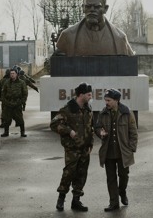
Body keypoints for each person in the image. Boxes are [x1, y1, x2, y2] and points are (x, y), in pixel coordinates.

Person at [50, 83, 94, 212]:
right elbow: (54, 124)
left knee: (82, 175)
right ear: (81, 95)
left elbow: (89, 127)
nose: (91, 97)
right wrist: (69, 131)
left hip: (85, 148)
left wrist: (90, 143)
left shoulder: (88, 108)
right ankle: (61, 198)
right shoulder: (67, 109)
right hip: (72, 149)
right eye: (89, 94)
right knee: (69, 173)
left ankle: (76, 201)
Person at [95, 89, 138, 212]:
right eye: (105, 100)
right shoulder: (103, 113)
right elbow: (97, 127)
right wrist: (100, 132)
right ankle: (113, 203)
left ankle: (122, 192)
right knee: (111, 178)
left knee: (123, 176)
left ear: (116, 100)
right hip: (108, 152)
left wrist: (131, 148)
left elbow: (133, 132)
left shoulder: (127, 113)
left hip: (123, 152)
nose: (106, 103)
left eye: (108, 100)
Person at [54, 0, 134, 56]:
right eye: (88, 6)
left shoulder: (120, 38)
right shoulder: (67, 36)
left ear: (105, 9)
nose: (92, 10)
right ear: (83, 8)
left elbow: (130, 64)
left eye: (97, 7)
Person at [1, 68, 28, 137]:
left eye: (13, 73)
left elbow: (25, 94)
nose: (12, 75)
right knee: (7, 119)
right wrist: (5, 101)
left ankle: (22, 132)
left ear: (16, 74)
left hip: (17, 103)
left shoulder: (21, 82)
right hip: (8, 103)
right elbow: (3, 93)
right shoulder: (7, 82)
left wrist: (21, 102)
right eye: (11, 74)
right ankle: (6, 132)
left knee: (20, 119)